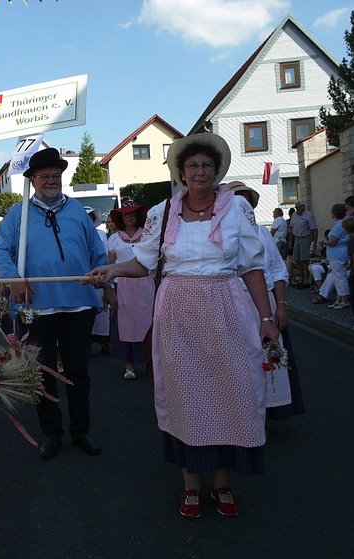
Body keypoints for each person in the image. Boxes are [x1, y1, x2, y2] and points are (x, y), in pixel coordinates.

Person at [88, 133, 278, 518]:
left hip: (227, 309)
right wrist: (111, 269)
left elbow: (253, 267)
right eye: (192, 166)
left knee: (230, 393)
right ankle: (191, 484)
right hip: (177, 314)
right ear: (181, 172)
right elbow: (143, 263)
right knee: (186, 395)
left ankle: (222, 483)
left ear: (217, 170)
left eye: (207, 165)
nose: (200, 172)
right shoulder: (163, 212)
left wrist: (267, 318)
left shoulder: (236, 209)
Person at [0, 147, 115, 459]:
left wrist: (109, 283)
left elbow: (97, 254)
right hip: (37, 308)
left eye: (55, 176)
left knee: (78, 370)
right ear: (32, 180)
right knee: (42, 371)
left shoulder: (77, 212)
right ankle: (51, 433)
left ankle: (81, 430)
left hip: (79, 305)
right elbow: (0, 251)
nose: (51, 180)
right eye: (44, 176)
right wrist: (12, 277)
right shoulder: (16, 214)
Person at [228, 181, 303, 421]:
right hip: (234, 303)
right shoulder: (221, 234)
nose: (241, 205)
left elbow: (277, 271)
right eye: (235, 200)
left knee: (268, 357)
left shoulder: (262, 233)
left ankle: (268, 411)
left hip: (264, 304)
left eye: (245, 200)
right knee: (238, 362)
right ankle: (241, 414)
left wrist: (281, 305)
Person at [107, 200, 153, 380]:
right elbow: (111, 264)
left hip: (145, 283)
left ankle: (152, 364)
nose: (128, 216)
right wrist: (109, 288)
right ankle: (129, 365)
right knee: (125, 325)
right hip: (123, 285)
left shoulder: (147, 235)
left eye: (132, 213)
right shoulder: (114, 238)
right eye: (125, 214)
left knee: (149, 322)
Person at [85, 206, 111, 354]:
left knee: (102, 314)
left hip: (98, 276)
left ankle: (104, 342)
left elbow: (105, 255)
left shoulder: (101, 234)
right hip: (83, 277)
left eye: (90, 217)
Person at [325, 203, 351, 310]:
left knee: (340, 278)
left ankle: (344, 300)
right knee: (337, 278)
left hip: (337, 255)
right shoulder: (343, 224)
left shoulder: (338, 226)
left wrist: (326, 242)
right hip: (341, 254)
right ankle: (339, 299)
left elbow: (333, 242)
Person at [289, 200, 318, 289]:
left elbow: (314, 229)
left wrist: (315, 242)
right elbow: (291, 227)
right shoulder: (294, 215)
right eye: (296, 207)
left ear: (303, 206)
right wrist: (290, 240)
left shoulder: (308, 215)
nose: (297, 208)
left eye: (299, 206)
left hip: (305, 237)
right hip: (297, 238)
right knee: (297, 259)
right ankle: (301, 279)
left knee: (304, 260)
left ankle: (306, 280)